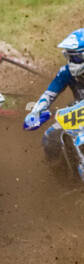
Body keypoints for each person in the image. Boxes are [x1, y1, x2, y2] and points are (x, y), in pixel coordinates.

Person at [24, 29, 84, 168]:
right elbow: (49, 94)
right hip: (79, 115)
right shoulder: (66, 72)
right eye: (69, 57)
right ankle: (60, 175)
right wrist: (36, 112)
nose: (71, 61)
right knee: (50, 137)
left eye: (75, 58)